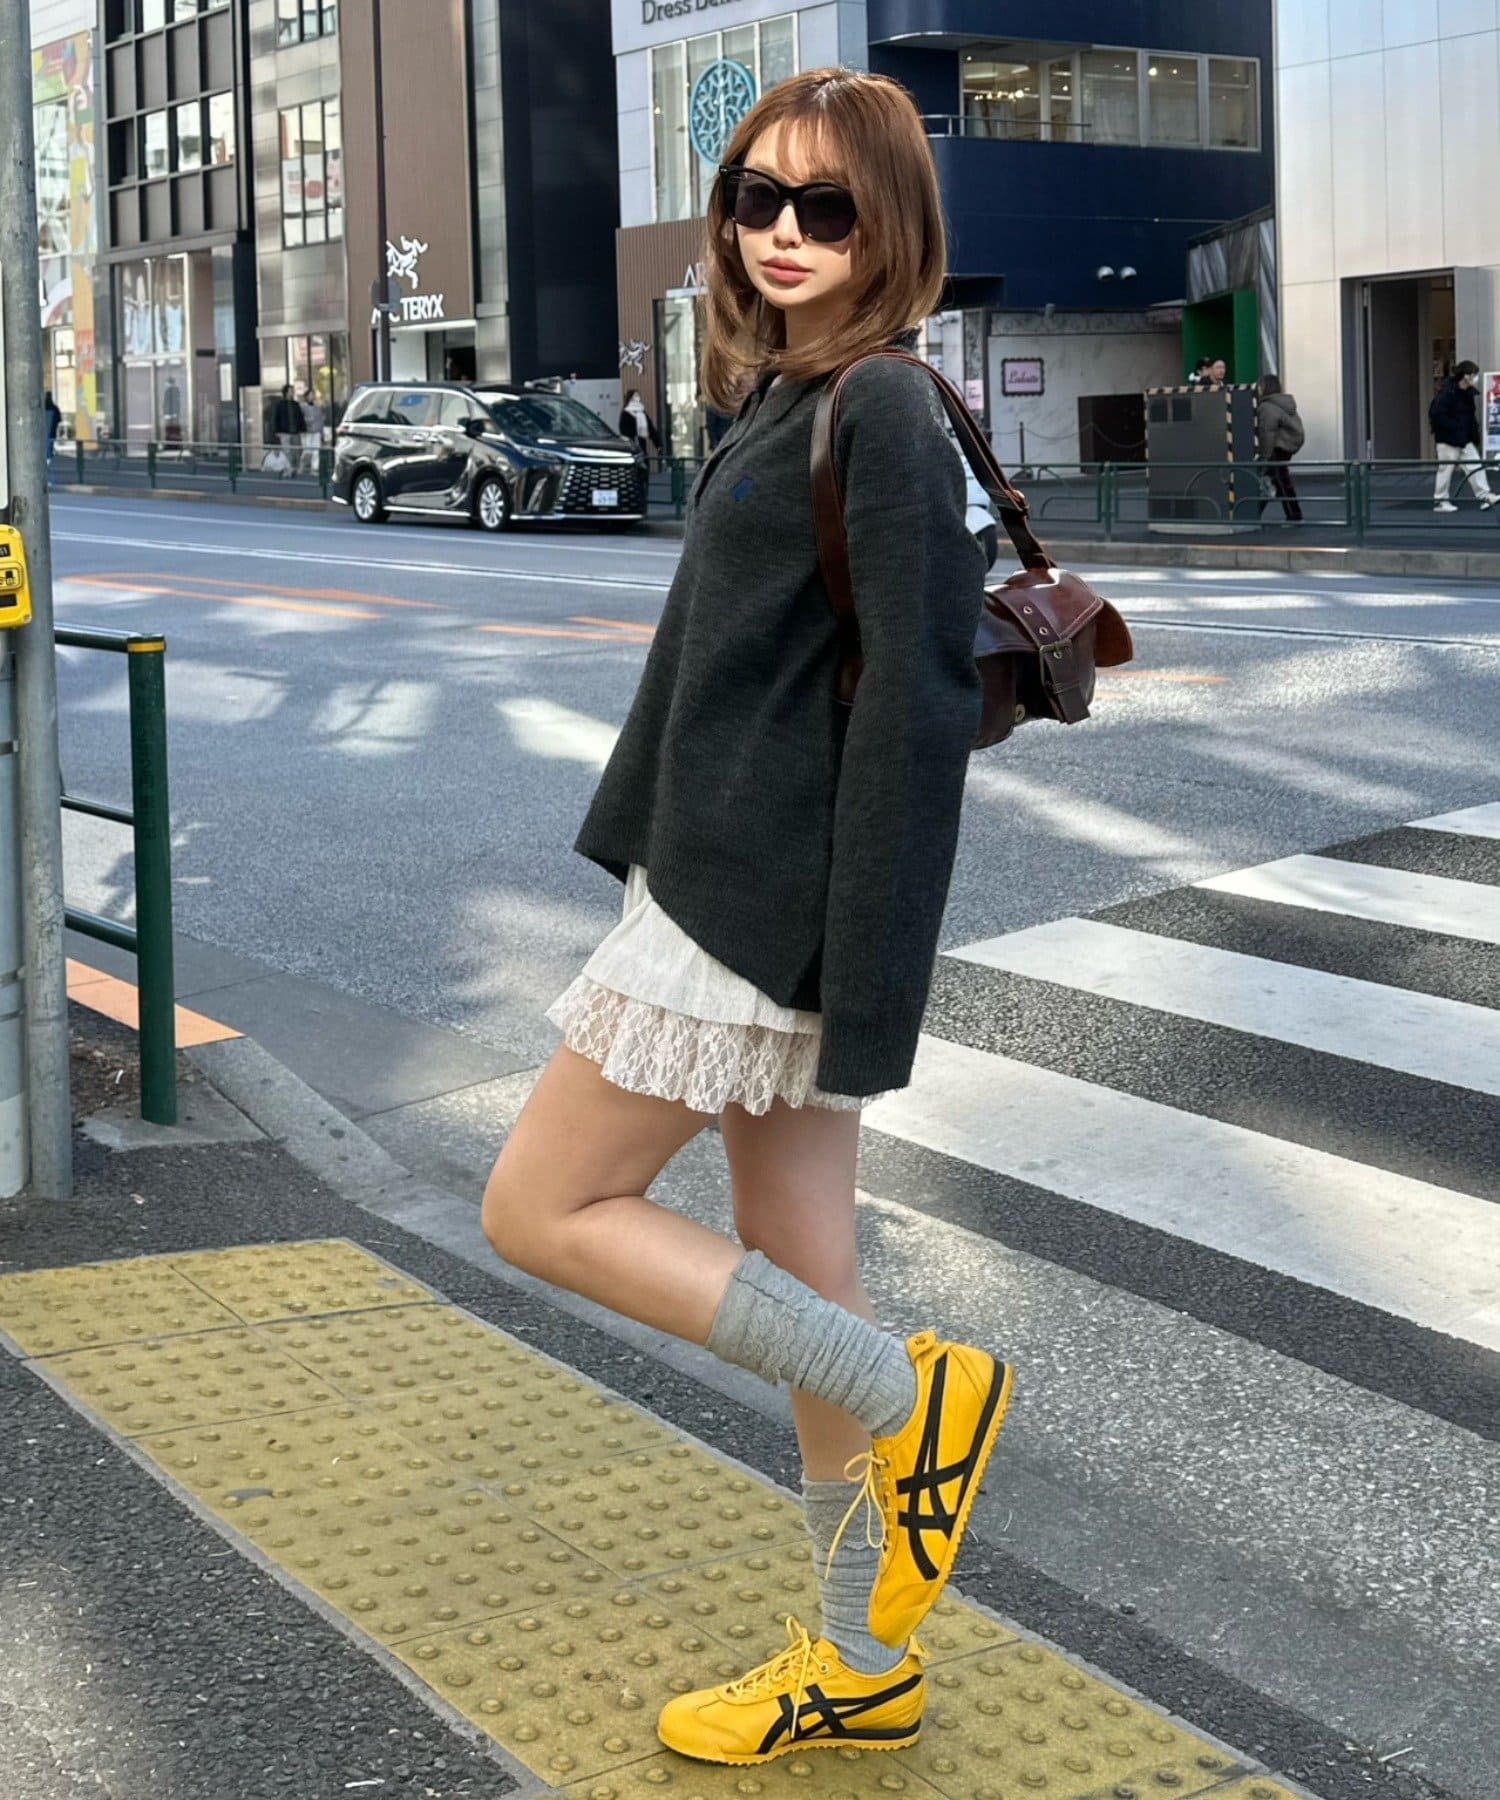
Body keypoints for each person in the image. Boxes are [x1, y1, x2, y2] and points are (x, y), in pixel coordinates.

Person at [482, 67, 1013, 1767]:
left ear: (891, 224)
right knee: (804, 1275)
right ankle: (859, 1660)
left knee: (541, 1204)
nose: (784, 231)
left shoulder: (885, 411)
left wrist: (868, 984)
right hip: (739, 887)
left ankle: (913, 1395)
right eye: (756, 199)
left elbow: (915, 718)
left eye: (826, 206)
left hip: (758, 912)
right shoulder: (787, 395)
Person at [1430, 360, 1495, 512]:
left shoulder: (1467, 393)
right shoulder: (1448, 393)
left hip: (1463, 438)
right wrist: (1456, 428)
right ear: (1464, 376)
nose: (1474, 377)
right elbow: (1436, 414)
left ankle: (1485, 496)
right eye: (1471, 374)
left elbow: (1469, 417)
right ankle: (1440, 501)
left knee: (1475, 465)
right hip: (1448, 439)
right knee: (1446, 470)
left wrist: (1472, 434)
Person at [1256, 374, 1304, 522]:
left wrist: (1264, 455)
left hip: (1276, 448)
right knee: (1276, 479)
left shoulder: (1267, 407)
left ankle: (1293, 515)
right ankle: (1255, 513)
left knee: (1278, 480)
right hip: (1287, 446)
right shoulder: (1285, 403)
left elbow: (1267, 433)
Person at [268, 385, 304, 478]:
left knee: (297, 451)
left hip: (295, 432)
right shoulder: (280, 405)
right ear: (286, 393)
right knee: (287, 451)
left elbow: (300, 417)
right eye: (290, 391)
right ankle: (290, 468)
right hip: (284, 432)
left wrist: (302, 429)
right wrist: (277, 431)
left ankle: (297, 468)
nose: (292, 392)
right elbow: (275, 418)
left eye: (292, 391)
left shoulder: (295, 404)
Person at [618, 386, 662, 455]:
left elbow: (650, 428)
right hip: (631, 445)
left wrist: (658, 444)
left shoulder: (642, 412)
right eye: (635, 396)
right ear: (630, 399)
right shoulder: (625, 413)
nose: (638, 398)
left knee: (643, 458)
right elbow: (623, 430)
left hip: (641, 444)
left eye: (638, 396)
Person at [298, 385, 326, 477]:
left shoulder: (318, 407)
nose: (312, 396)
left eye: (313, 395)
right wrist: (308, 421)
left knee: (316, 451)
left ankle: (314, 469)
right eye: (310, 395)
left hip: (316, 431)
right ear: (306, 396)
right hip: (307, 432)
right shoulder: (302, 407)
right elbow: (301, 419)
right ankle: (302, 466)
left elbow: (320, 420)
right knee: (307, 451)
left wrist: (322, 433)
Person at [43, 389, 63, 487]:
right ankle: (50, 479)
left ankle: (47, 478)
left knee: (46, 456)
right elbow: (59, 420)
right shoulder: (54, 408)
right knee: (48, 457)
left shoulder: (42, 409)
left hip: (43, 436)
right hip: (51, 435)